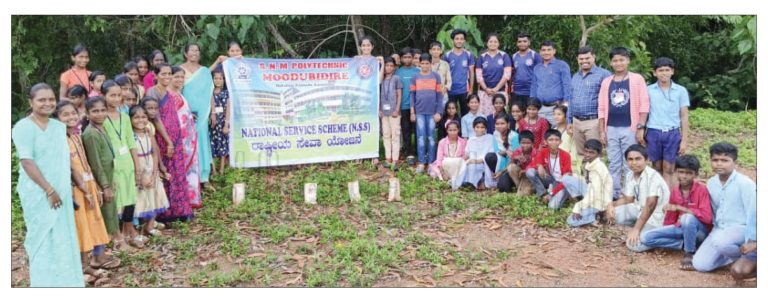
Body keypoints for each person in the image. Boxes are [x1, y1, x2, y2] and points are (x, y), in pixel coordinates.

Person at [12, 83, 84, 287]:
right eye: (41, 99)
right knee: (42, 237)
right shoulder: (23, 127)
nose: (47, 103)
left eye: (51, 99)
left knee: (63, 235)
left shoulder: (59, 127)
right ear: (31, 102)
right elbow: (27, 162)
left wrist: (72, 185)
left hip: (61, 191)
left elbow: (64, 161)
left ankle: (68, 282)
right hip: (38, 193)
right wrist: (49, 190)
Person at [53, 101, 116, 284]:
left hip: (88, 185)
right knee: (79, 227)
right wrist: (82, 188)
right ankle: (78, 268)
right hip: (75, 189)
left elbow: (85, 163)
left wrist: (94, 185)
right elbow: (69, 168)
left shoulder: (76, 135)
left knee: (89, 224)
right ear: (57, 119)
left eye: (73, 113)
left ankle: (87, 262)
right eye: (65, 115)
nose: (71, 117)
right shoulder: (60, 140)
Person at [692, 142, 756, 272]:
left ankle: (747, 258)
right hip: (719, 229)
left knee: (720, 241)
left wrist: (752, 240)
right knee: (701, 265)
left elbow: (753, 213)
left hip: (741, 229)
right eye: (715, 160)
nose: (719, 164)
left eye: (725, 160)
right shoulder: (711, 183)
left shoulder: (745, 183)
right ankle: (734, 257)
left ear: (734, 162)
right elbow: (713, 211)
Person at [640, 155, 712, 270]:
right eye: (681, 172)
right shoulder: (675, 190)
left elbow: (707, 217)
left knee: (687, 218)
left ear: (696, 174)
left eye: (688, 173)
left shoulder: (702, 189)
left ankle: (689, 253)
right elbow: (670, 216)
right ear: (676, 172)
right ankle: (683, 244)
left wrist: (680, 208)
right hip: (680, 228)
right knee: (646, 237)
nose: (683, 176)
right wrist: (665, 231)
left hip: (699, 232)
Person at [598, 46, 650, 200]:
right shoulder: (607, 82)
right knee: (614, 162)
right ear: (611, 63)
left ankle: (630, 193)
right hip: (611, 128)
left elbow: (644, 105)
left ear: (628, 61)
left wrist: (640, 126)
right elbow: (601, 107)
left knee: (630, 162)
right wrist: (602, 130)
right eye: (615, 60)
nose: (618, 63)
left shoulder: (637, 79)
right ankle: (614, 194)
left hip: (630, 127)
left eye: (622, 60)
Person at [144, 64, 194, 222]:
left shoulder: (169, 92)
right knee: (167, 173)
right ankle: (166, 212)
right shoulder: (152, 91)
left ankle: (181, 209)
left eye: (169, 74)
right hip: (163, 138)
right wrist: (168, 141)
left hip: (175, 137)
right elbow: (156, 118)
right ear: (156, 75)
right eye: (163, 74)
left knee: (178, 173)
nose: (167, 77)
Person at [101, 80, 145, 248]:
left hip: (127, 162)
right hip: (112, 164)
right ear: (103, 96)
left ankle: (129, 229)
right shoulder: (101, 118)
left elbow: (131, 143)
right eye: (112, 95)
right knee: (114, 199)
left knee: (130, 197)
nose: (116, 98)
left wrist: (137, 166)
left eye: (119, 95)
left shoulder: (125, 117)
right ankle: (116, 234)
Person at [605, 144, 669, 252]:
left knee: (633, 245)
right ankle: (643, 230)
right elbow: (628, 199)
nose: (633, 163)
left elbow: (650, 206)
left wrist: (636, 229)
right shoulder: (630, 174)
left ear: (647, 160)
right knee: (612, 214)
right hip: (640, 210)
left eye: (638, 159)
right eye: (630, 159)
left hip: (656, 217)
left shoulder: (653, 177)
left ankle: (663, 237)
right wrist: (610, 205)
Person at [81, 97, 124, 250]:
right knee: (107, 209)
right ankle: (113, 242)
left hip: (110, 174)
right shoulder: (91, 134)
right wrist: (105, 186)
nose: (99, 114)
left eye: (102, 110)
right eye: (95, 111)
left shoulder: (102, 127)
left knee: (111, 208)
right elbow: (96, 163)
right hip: (102, 178)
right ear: (87, 113)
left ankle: (115, 238)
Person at [646, 57, 690, 188]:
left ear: (672, 71)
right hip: (653, 132)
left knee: (669, 167)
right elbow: (644, 113)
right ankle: (657, 197)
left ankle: (668, 198)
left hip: (672, 132)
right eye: (660, 70)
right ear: (655, 73)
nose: (664, 73)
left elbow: (684, 116)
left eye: (667, 70)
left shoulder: (680, 90)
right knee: (656, 166)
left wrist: (684, 140)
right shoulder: (648, 90)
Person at [129, 105, 170, 237]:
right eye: (136, 117)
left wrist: (155, 171)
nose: (140, 120)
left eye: (143, 117)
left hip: (151, 166)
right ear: (130, 119)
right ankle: (142, 224)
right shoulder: (130, 135)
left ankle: (150, 225)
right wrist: (139, 175)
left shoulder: (148, 132)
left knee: (155, 195)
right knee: (142, 197)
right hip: (139, 167)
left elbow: (155, 152)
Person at [180, 43, 215, 190]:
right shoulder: (179, 70)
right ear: (186, 53)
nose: (194, 52)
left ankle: (204, 177)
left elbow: (210, 93)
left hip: (202, 114)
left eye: (197, 50)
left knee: (202, 142)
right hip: (184, 114)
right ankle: (189, 179)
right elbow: (177, 91)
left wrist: (212, 112)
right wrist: (183, 112)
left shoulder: (205, 71)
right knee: (187, 145)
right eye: (192, 50)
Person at [568, 46, 610, 158]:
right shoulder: (576, 76)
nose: (584, 61)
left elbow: (608, 100)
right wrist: (569, 121)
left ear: (594, 57)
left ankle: (596, 176)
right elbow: (571, 99)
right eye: (581, 59)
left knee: (594, 154)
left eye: (587, 58)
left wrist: (604, 125)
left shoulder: (604, 74)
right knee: (581, 155)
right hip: (576, 121)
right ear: (577, 59)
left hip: (594, 121)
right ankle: (583, 176)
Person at [170, 66, 203, 209]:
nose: (179, 80)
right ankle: (182, 201)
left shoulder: (179, 93)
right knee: (181, 170)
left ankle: (189, 199)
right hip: (180, 140)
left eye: (182, 77)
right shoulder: (170, 95)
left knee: (189, 170)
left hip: (188, 139)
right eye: (176, 77)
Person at [565, 139, 613, 227]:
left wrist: (578, 207)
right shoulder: (591, 163)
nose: (587, 155)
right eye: (586, 151)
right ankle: (584, 206)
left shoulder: (598, 169)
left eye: (591, 152)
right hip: (592, 193)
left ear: (599, 154)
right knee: (567, 178)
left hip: (599, 200)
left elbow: (594, 194)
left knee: (570, 221)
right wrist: (575, 176)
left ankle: (594, 216)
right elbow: (590, 182)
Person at [410, 55, 443, 174]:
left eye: (427, 63)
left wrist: (439, 112)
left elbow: (440, 96)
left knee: (431, 138)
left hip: (432, 113)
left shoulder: (436, 76)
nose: (424, 66)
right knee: (420, 138)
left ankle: (431, 163)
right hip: (419, 112)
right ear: (419, 64)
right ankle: (421, 162)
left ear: (431, 64)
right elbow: (412, 95)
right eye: (422, 63)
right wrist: (412, 112)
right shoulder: (415, 77)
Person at [525, 129, 573, 209]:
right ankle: (543, 194)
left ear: (561, 141)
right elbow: (530, 167)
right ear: (545, 142)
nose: (554, 142)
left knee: (552, 207)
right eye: (551, 140)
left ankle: (562, 195)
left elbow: (566, 179)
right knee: (530, 172)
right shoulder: (542, 152)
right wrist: (539, 165)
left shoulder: (566, 155)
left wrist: (551, 193)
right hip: (551, 180)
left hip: (562, 183)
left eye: (556, 140)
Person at [530, 40, 571, 127]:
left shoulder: (562, 65)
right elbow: (534, 86)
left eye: (549, 50)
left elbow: (567, 85)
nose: (546, 52)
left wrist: (565, 104)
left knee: (557, 135)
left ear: (554, 51)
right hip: (540, 108)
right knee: (542, 134)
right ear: (540, 52)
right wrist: (532, 103)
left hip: (556, 107)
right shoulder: (537, 68)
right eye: (544, 50)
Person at [452, 117, 495, 191]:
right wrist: (460, 161)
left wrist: (475, 161)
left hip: (484, 164)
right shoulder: (471, 140)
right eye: (477, 127)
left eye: (482, 127)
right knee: (465, 166)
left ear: (485, 128)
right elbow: (467, 154)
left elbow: (489, 156)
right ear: (474, 127)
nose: (480, 129)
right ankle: (466, 184)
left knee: (472, 164)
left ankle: (473, 184)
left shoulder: (490, 138)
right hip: (471, 162)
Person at [475, 33, 512, 116]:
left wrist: (496, 89)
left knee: (500, 116)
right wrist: (486, 88)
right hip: (484, 92)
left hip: (500, 91)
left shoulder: (504, 56)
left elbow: (507, 75)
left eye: (495, 41)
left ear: (499, 43)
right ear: (487, 43)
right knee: (484, 116)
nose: (493, 43)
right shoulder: (482, 57)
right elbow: (478, 76)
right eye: (490, 41)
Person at [395, 47, 420, 166]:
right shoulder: (398, 72)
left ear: (413, 58)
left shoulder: (418, 71)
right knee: (406, 130)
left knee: (417, 130)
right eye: (405, 57)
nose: (407, 59)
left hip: (417, 107)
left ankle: (418, 152)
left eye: (409, 57)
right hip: (403, 106)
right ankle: (409, 153)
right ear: (401, 58)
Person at [443, 29, 475, 117]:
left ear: (464, 40)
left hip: (464, 90)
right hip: (450, 90)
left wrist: (471, 89)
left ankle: (464, 130)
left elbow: (471, 72)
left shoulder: (469, 55)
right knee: (450, 113)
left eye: (461, 39)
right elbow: (444, 73)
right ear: (453, 40)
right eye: (457, 39)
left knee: (466, 114)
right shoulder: (447, 55)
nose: (459, 41)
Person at [485, 112, 520, 192]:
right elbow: (497, 151)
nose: (499, 126)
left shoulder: (514, 136)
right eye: (497, 124)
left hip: (511, 166)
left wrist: (502, 171)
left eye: (502, 123)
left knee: (504, 188)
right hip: (501, 160)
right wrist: (506, 152)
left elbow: (515, 158)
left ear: (508, 124)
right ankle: (498, 177)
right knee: (489, 156)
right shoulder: (495, 134)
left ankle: (508, 179)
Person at [380, 57, 403, 170]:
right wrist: (380, 109)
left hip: (394, 112)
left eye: (390, 66)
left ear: (394, 67)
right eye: (386, 66)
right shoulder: (381, 79)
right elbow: (379, 95)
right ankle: (387, 158)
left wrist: (397, 109)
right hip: (384, 112)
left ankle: (395, 159)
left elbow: (399, 95)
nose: (388, 68)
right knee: (386, 135)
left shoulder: (396, 78)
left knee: (395, 135)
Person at [209, 69, 231, 176]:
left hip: (222, 122)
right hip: (212, 123)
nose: (218, 81)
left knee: (223, 145)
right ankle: (213, 170)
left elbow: (228, 110)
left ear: (224, 80)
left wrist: (226, 124)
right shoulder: (209, 92)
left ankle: (222, 170)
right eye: (215, 78)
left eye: (220, 78)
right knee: (211, 145)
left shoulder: (226, 93)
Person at [511, 33, 541, 108]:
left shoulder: (535, 55)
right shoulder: (514, 56)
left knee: (530, 113)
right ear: (517, 43)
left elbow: (540, 73)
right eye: (520, 41)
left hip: (531, 91)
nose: (522, 43)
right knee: (517, 113)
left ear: (529, 42)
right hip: (517, 91)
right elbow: (512, 73)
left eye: (524, 41)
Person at [553, 105, 582, 177]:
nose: (556, 117)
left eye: (559, 114)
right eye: (554, 114)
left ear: (566, 116)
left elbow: (574, 150)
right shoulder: (553, 130)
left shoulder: (571, 131)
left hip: (570, 163)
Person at [429, 41, 452, 111]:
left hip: (443, 94)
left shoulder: (445, 64)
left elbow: (449, 80)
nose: (436, 51)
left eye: (438, 49)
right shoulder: (426, 64)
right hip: (429, 95)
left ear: (441, 51)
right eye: (434, 49)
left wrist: (445, 89)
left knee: (442, 116)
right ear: (430, 51)